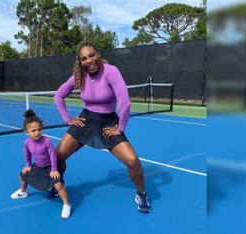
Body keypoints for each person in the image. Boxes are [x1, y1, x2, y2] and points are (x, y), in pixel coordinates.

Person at [52, 41, 151, 214]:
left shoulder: (111, 71)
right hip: (85, 120)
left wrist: (120, 128)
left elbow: (125, 103)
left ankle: (141, 194)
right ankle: (58, 185)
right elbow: (58, 95)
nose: (89, 60)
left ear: (98, 54)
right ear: (80, 62)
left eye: (91, 55)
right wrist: (68, 119)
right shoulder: (79, 76)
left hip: (108, 123)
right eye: (84, 58)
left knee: (133, 162)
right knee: (58, 155)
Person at [10, 109, 71, 219]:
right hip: (38, 167)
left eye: (39, 129)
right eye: (33, 131)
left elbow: (53, 156)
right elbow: (27, 155)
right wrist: (28, 165)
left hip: (50, 167)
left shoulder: (47, 141)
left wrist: (53, 169)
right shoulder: (27, 143)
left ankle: (66, 205)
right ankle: (23, 192)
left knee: (58, 185)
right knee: (22, 175)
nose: (37, 132)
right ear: (26, 132)